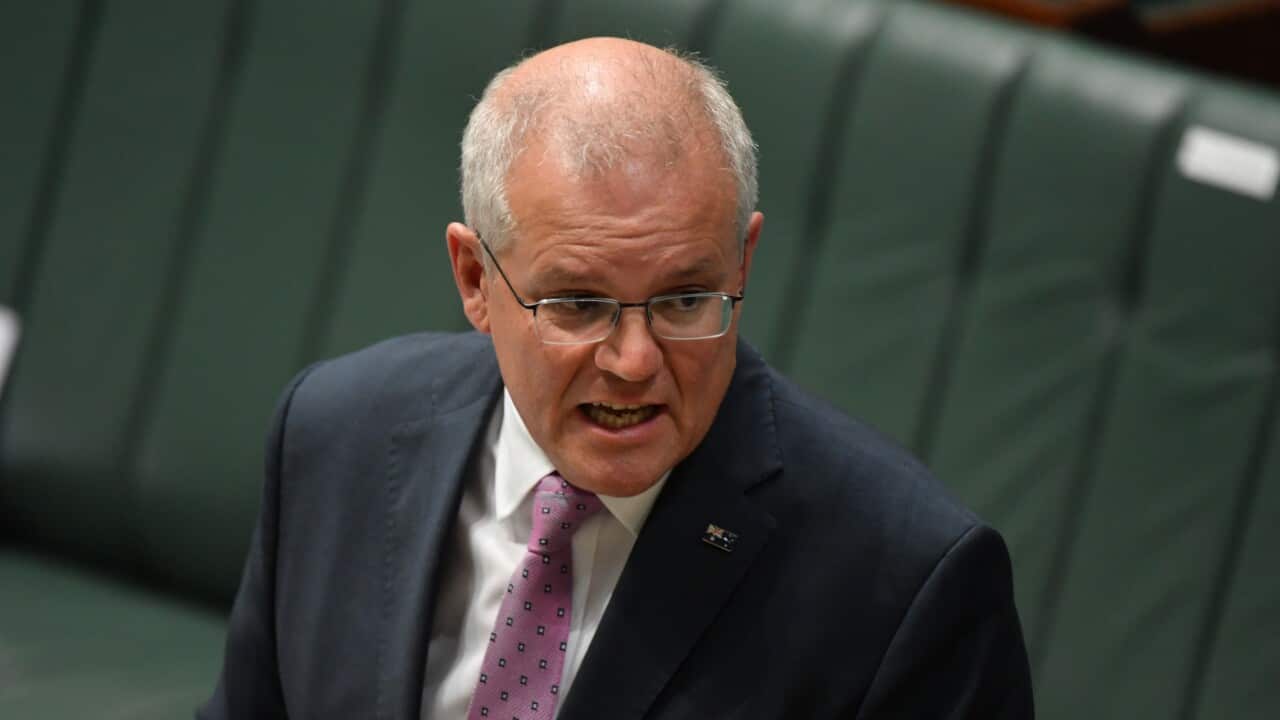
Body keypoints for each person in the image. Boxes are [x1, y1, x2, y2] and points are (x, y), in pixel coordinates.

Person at [200, 37, 1033, 720]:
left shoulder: (910, 584)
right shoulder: (334, 434)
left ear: (743, 259)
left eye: (683, 298)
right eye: (577, 303)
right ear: (474, 279)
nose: (634, 361)